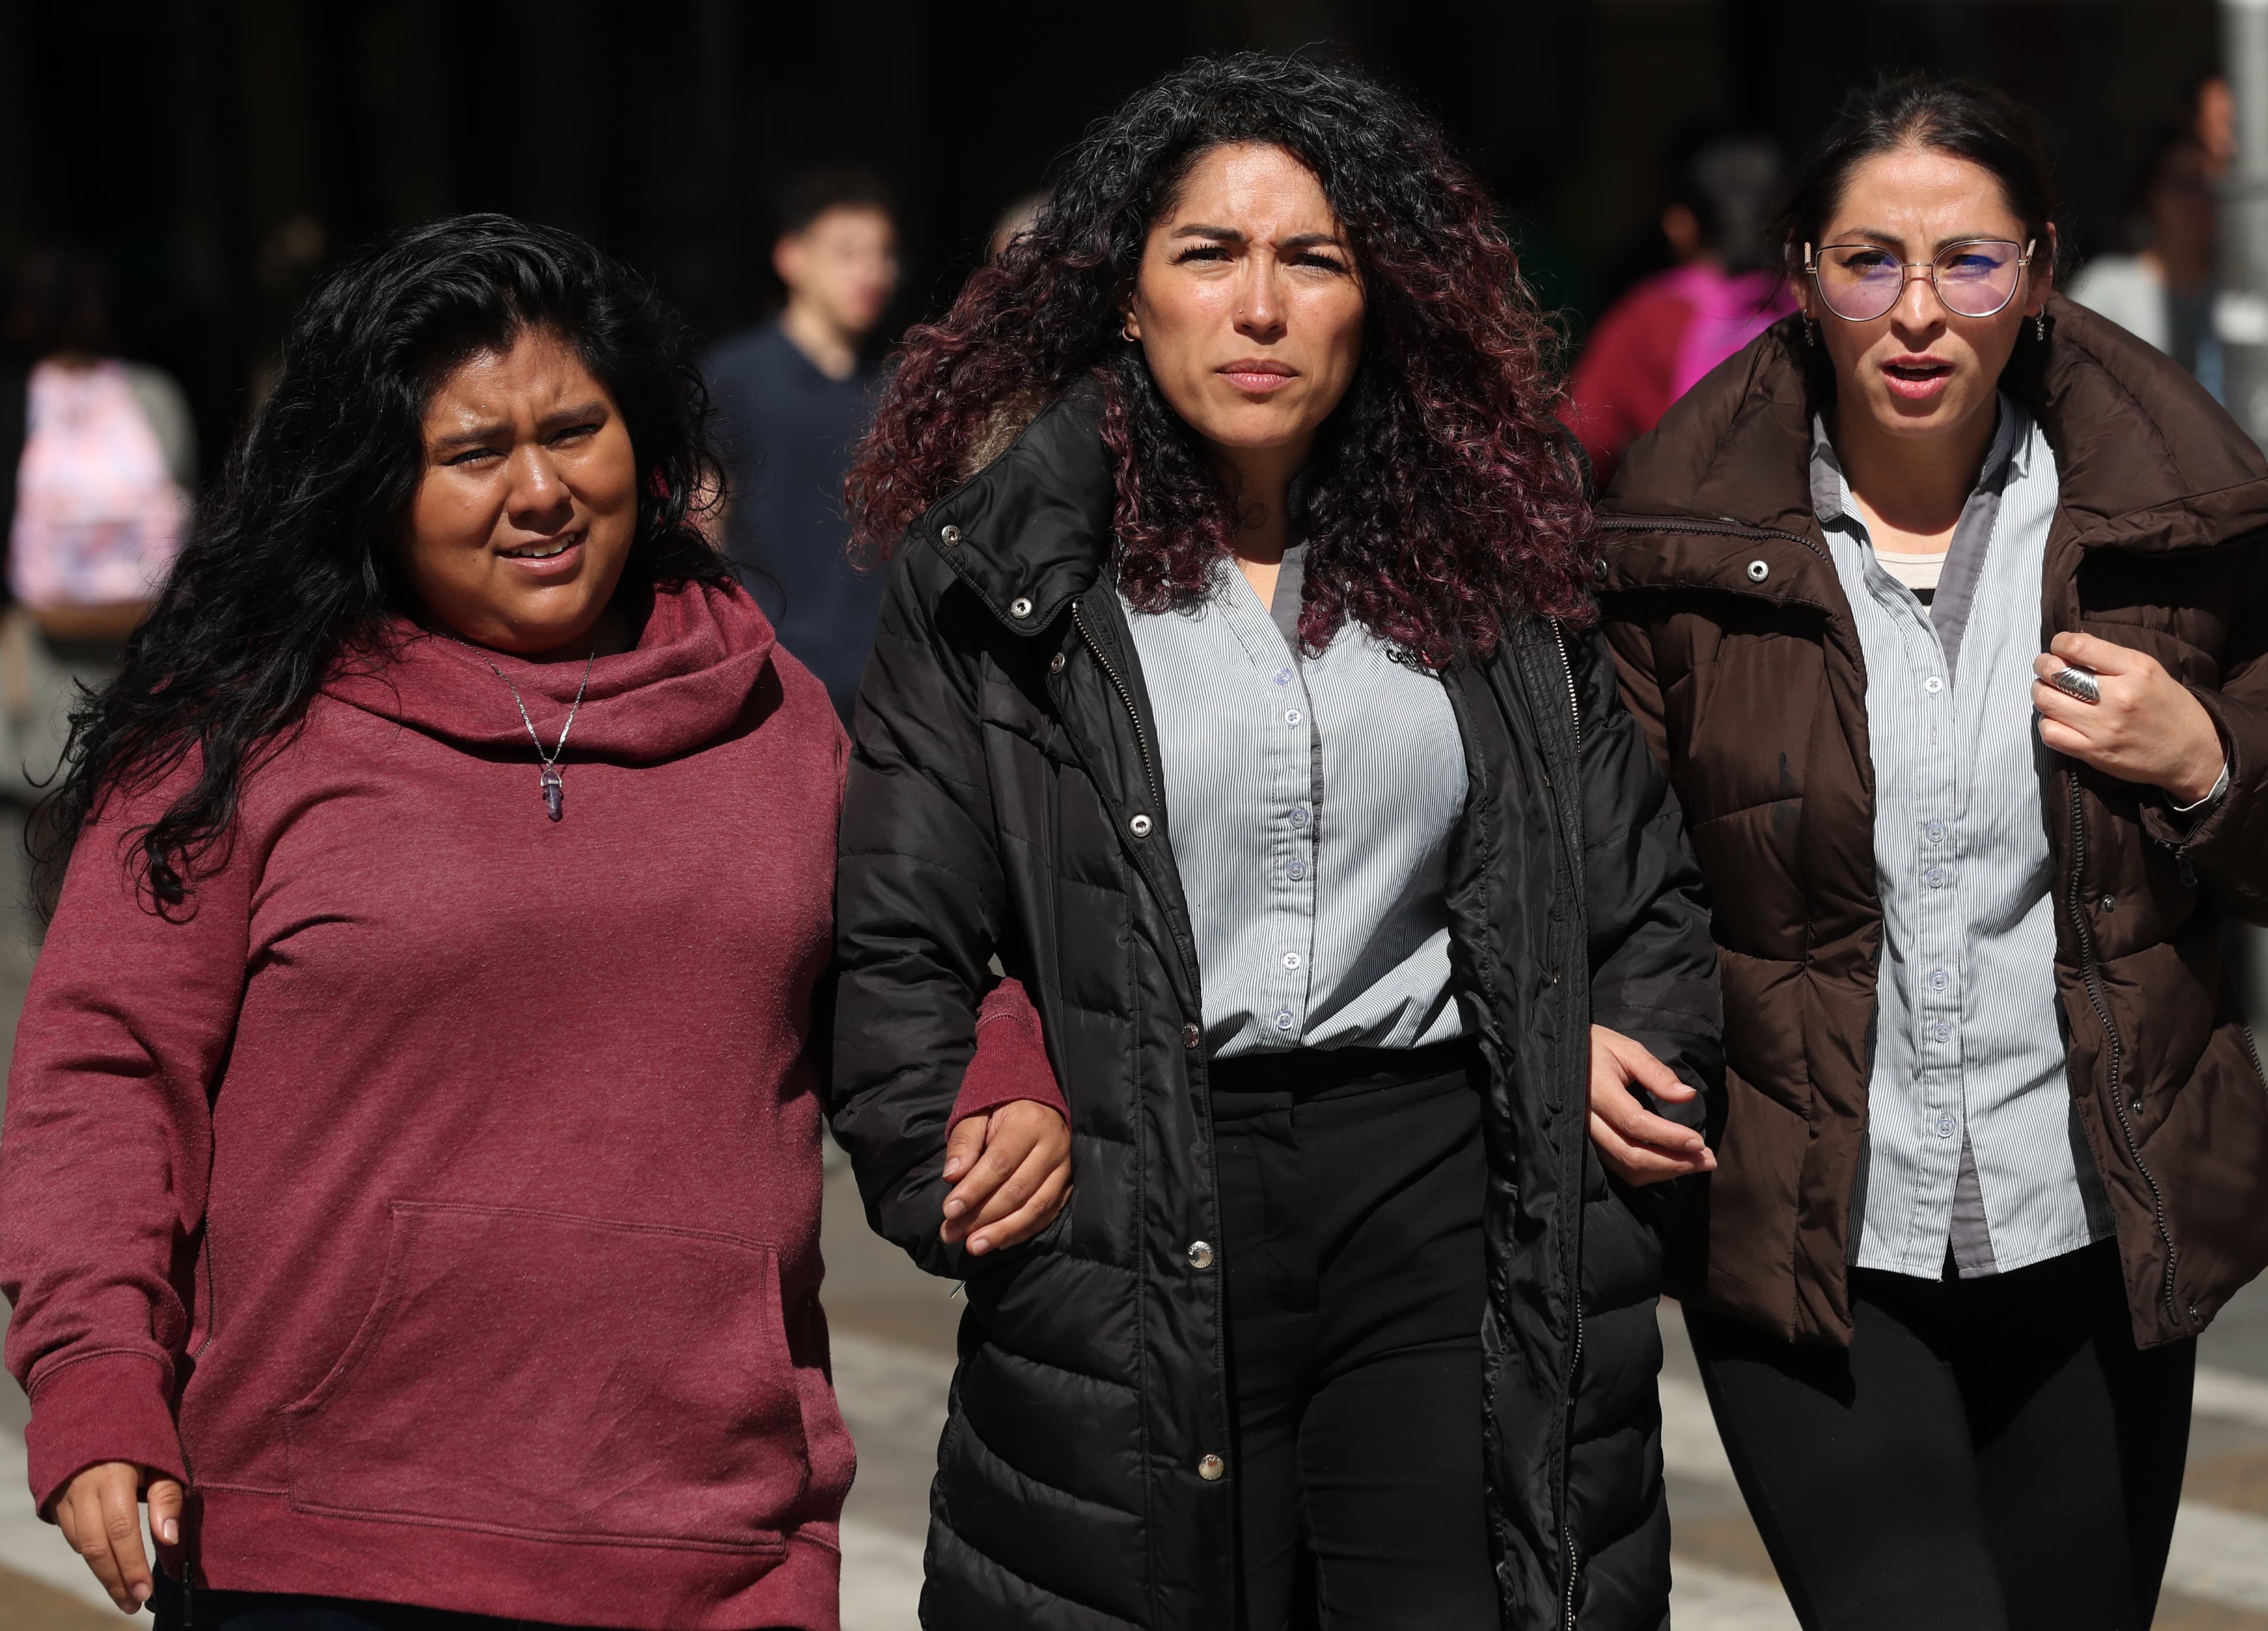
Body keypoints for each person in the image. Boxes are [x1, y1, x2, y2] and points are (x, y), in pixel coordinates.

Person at [0, 215, 994, 1630]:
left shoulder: (777, 720)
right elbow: (101, 1082)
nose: (540, 491)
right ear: (374, 487)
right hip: (326, 1555)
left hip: (714, 1551)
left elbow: (916, 982)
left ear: (644, 452)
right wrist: (97, 1378)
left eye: (575, 432)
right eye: (473, 455)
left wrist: (1002, 1063)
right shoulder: (239, 738)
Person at [830, 54, 1721, 1630]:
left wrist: (1597, 1047)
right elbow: (900, 926)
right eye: (1210, 255)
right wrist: (962, 1109)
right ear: (1125, 296)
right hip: (1132, 1187)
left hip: (1442, 1177)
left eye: (1311, 260)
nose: (1261, 307)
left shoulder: (1488, 560)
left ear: (1378, 298)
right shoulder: (1002, 579)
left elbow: (1635, 881)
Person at [1595, 75, 2268, 1630]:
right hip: (1812, 1230)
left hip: (2097, 1224)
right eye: (1869, 259)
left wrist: (2210, 764)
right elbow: (1597, 855)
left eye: (1968, 260)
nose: (1918, 311)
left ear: (2037, 271)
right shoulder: (1679, 551)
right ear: (1803, 274)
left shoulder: (2179, 531)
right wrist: (1582, 1018)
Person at [0, 249, 199, 802]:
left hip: (37, 641)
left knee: (45, 809)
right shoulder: (152, 395)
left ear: (23, 317)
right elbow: (190, 498)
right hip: (144, 641)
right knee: (139, 800)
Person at [701, 167, 900, 728]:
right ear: (792, 257)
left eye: (884, 253)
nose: (872, 270)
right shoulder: (733, 376)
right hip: (770, 668)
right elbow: (702, 522)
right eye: (848, 252)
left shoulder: (899, 384)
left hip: (881, 674)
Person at [1562, 132, 1798, 485]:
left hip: (1690, 530)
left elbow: (1579, 446)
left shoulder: (1650, 316)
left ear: (1680, 225)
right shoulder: (1811, 308)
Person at [2069, 129, 2223, 400]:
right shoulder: (2108, 288)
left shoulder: (2243, 290)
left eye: (2209, 185)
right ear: (2150, 195)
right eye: (2183, 184)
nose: (2198, 200)